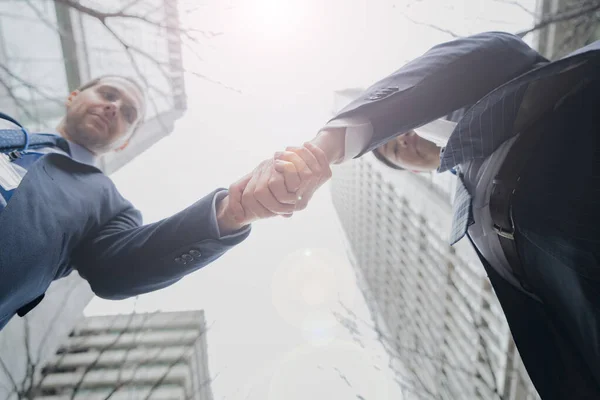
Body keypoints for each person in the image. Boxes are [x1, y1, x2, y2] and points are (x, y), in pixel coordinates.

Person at [246, 32, 600, 398]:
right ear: (414, 172)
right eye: (392, 151)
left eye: (395, 133)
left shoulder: (489, 88)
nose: (400, 141)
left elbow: (487, 52)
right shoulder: (467, 211)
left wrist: (331, 144)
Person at [0, 75, 331, 330]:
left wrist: (231, 213)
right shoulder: (6, 124)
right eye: (107, 94)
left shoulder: (108, 205)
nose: (113, 107)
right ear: (73, 96)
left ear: (123, 143)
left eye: (128, 113)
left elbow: (118, 270)